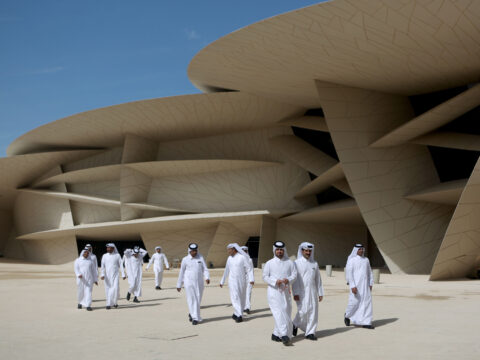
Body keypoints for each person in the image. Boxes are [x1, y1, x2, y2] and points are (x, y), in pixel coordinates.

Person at [262, 241, 297, 346]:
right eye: (277, 250)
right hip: (274, 292)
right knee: (278, 312)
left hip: (286, 292)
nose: (279, 251)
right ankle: (284, 334)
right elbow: (264, 277)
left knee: (286, 311)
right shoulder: (269, 263)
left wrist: (288, 280)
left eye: (281, 250)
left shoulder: (290, 262)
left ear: (284, 250)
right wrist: (274, 282)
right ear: (274, 251)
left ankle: (276, 334)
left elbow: (295, 275)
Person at [292, 242, 324, 340]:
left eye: (310, 251)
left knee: (313, 312)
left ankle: (310, 332)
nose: (308, 253)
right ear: (302, 251)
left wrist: (320, 292)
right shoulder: (296, 263)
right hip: (301, 292)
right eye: (306, 251)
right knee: (303, 311)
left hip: (313, 291)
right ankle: (295, 324)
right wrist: (296, 293)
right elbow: (295, 280)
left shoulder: (314, 263)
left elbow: (318, 279)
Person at [176, 243, 210, 325]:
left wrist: (207, 277)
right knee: (191, 299)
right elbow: (181, 272)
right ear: (189, 251)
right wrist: (179, 284)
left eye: (195, 251)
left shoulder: (200, 257)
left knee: (198, 300)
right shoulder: (185, 259)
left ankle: (192, 313)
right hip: (189, 283)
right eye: (193, 251)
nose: (194, 253)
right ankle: (195, 318)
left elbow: (205, 269)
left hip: (199, 283)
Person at [220, 243, 254, 323]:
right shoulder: (229, 258)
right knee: (234, 297)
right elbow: (226, 270)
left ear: (234, 249)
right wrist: (222, 281)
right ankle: (239, 315)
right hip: (232, 281)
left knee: (241, 297)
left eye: (229, 249)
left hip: (242, 281)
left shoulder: (242, 257)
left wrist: (251, 279)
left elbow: (249, 269)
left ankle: (237, 312)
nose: (228, 251)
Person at [344, 244, 374, 329]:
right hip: (356, 286)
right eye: (359, 249)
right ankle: (347, 315)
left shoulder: (366, 260)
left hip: (365, 286)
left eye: (362, 249)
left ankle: (367, 322)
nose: (361, 250)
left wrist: (371, 283)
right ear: (356, 250)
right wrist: (352, 286)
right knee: (354, 302)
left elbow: (369, 272)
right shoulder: (352, 260)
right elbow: (349, 274)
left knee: (367, 303)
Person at [100, 243, 126, 310]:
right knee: (108, 289)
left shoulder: (117, 255)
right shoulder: (104, 256)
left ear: (113, 248)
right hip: (107, 276)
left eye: (109, 248)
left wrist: (123, 274)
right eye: (107, 248)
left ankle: (114, 302)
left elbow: (121, 265)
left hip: (115, 275)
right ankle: (109, 304)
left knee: (115, 289)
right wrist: (102, 274)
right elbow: (102, 266)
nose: (108, 249)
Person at [241, 245, 255, 314]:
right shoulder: (238, 259)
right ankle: (243, 307)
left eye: (245, 251)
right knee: (242, 293)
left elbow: (251, 270)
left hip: (249, 278)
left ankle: (248, 308)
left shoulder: (249, 260)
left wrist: (252, 279)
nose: (244, 252)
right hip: (241, 279)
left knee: (248, 293)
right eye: (243, 251)